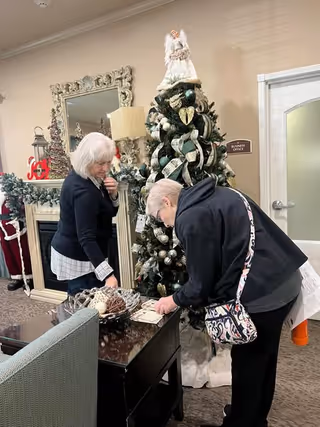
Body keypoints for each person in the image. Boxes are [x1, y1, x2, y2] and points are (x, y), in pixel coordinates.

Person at [146, 177, 307, 427]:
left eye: (160, 216)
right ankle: (253, 416)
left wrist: (173, 300)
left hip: (264, 293)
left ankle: (242, 421)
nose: (164, 224)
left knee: (247, 365)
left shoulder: (189, 217)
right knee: (264, 357)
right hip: (285, 279)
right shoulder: (218, 193)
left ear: (167, 202)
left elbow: (200, 285)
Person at [51, 132, 119, 296]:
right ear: (87, 160)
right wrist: (108, 275)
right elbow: (86, 238)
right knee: (84, 310)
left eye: (108, 162)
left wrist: (114, 195)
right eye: (100, 163)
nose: (106, 169)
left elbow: (109, 212)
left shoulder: (92, 177)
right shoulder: (83, 190)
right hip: (78, 257)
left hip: (90, 253)